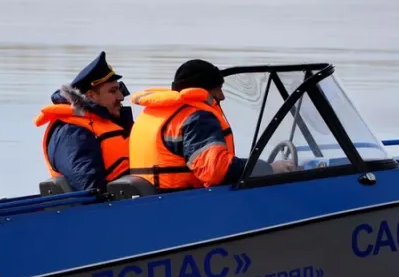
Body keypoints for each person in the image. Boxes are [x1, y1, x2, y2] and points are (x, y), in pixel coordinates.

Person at [129, 58, 244, 191]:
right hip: (184, 203)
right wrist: (256, 167)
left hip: (150, 202)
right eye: (217, 89)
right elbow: (216, 172)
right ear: (203, 91)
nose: (222, 96)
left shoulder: (149, 115)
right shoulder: (197, 118)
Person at [35, 51, 132, 193]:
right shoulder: (72, 131)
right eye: (113, 91)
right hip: (103, 211)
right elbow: (89, 187)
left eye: (119, 90)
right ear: (91, 96)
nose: (121, 97)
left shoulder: (109, 122)